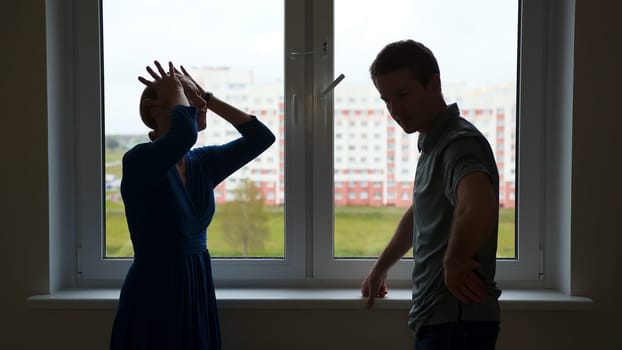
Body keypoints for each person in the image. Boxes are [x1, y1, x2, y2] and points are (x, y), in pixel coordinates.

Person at [110, 61, 276, 350]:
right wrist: (175, 87)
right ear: (155, 111)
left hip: (196, 288)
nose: (197, 103)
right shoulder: (138, 161)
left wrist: (207, 97)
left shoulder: (203, 163)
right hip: (154, 293)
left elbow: (262, 138)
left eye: (197, 95)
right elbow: (184, 135)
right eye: (187, 97)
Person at [360, 40, 502, 349]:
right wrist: (381, 267)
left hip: (457, 325)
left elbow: (478, 203)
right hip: (441, 322)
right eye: (386, 100)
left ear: (433, 84)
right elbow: (421, 213)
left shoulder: (459, 144)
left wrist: (455, 261)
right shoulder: (434, 144)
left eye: (403, 94)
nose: (395, 110)